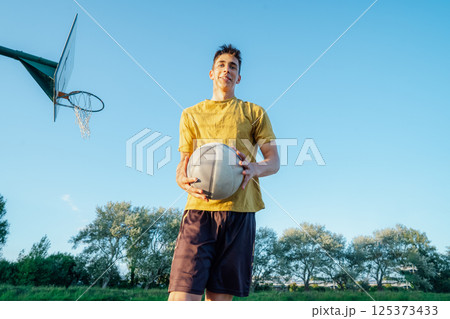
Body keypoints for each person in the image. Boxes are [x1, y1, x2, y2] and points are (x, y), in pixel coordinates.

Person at [168, 44, 280, 301]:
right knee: (181, 299)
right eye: (221, 65)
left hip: (239, 214)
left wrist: (254, 168)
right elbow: (183, 163)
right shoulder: (190, 114)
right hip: (199, 210)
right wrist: (181, 180)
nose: (226, 70)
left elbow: (273, 162)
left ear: (238, 77)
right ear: (211, 73)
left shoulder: (254, 113)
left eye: (233, 67)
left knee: (219, 303)